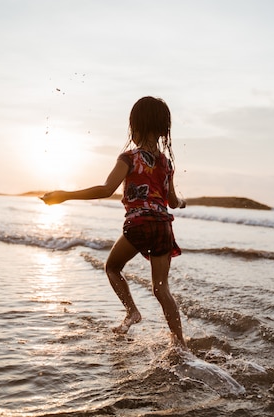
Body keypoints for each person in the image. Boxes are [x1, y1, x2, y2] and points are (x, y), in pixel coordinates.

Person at [40, 96, 187, 347]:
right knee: (162, 289)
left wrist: (65, 195)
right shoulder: (166, 163)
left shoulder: (129, 158)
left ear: (135, 125)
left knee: (112, 267)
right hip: (164, 226)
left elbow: (106, 189)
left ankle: (132, 311)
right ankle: (180, 344)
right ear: (163, 129)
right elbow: (173, 202)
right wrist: (182, 202)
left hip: (140, 224)